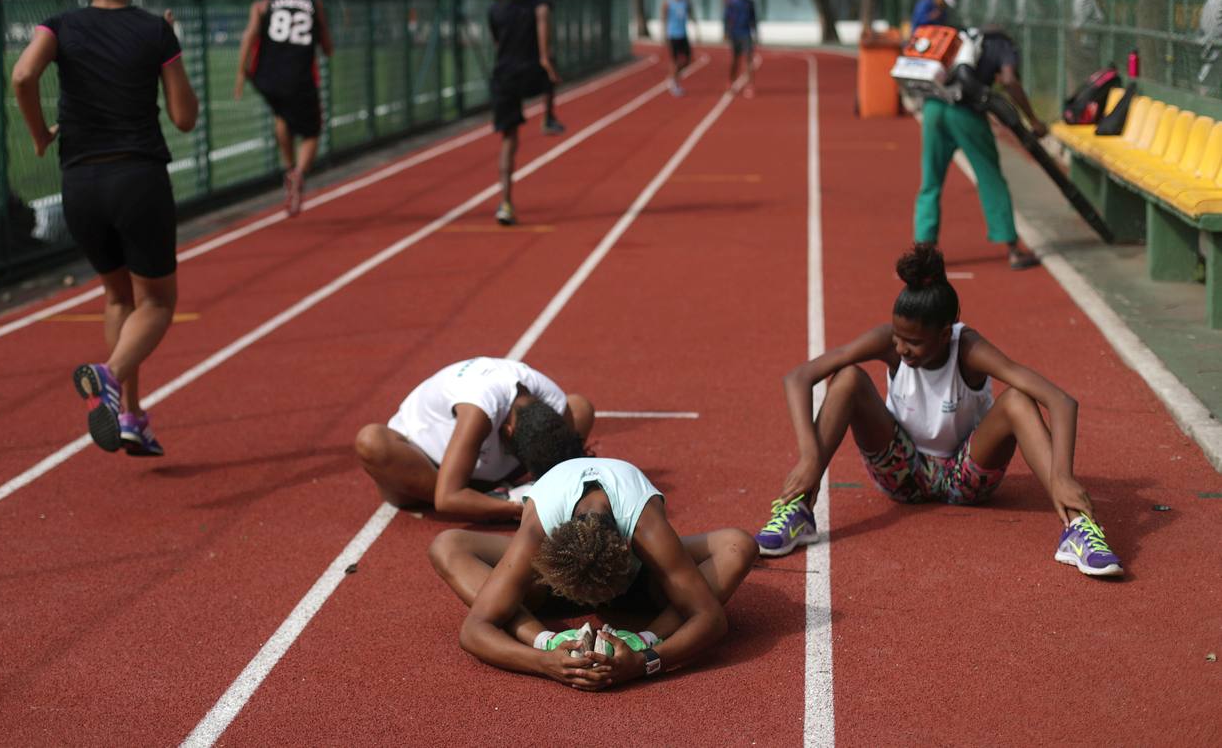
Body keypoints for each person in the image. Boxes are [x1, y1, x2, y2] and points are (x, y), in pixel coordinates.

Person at [753, 244, 1123, 578]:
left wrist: (1062, 476)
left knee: (1018, 400)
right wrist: (808, 457)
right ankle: (798, 511)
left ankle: (1078, 530)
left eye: (913, 342)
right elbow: (799, 377)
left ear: (945, 334)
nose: (901, 348)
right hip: (902, 470)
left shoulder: (969, 350)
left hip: (968, 475)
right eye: (897, 337)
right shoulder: (890, 342)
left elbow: (1060, 401)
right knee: (846, 378)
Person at [12, 0, 199, 457]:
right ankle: (111, 374)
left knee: (119, 297)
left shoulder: (58, 26)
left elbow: (23, 76)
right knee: (158, 302)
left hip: (80, 183)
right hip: (137, 178)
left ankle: (131, 416)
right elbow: (184, 119)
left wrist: (41, 134)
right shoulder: (154, 31)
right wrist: (170, 45)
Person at [429, 456, 756, 689]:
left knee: (738, 546)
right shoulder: (538, 531)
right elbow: (473, 631)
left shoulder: (644, 525)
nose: (597, 609)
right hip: (556, 579)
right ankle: (545, 636)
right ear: (547, 557)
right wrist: (543, 660)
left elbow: (710, 619)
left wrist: (645, 660)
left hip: (637, 580)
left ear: (627, 549)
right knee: (447, 545)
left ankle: (646, 634)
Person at [353, 357, 593, 520]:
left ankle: (494, 496)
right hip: (431, 470)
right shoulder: (479, 408)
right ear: (509, 432)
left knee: (580, 408)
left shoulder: (552, 399)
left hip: (493, 469)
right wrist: (516, 509)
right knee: (371, 441)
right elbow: (446, 499)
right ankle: (495, 499)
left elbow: (561, 440)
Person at [914, 26, 1044, 269]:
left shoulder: (963, 37)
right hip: (964, 114)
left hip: (933, 108)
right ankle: (1013, 249)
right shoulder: (1004, 45)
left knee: (930, 182)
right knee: (989, 177)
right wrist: (1033, 120)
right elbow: (1008, 81)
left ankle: (923, 250)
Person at [233, 0, 334, 217]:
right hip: (300, 77)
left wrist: (241, 73)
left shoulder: (263, 4)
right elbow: (327, 47)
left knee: (282, 115)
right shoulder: (314, 4)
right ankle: (298, 173)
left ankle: (289, 168)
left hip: (269, 79)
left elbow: (249, 36)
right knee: (312, 132)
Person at [487, 0, 561, 226]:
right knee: (552, 68)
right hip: (531, 72)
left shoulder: (495, 10)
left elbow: (497, 43)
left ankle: (505, 202)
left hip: (505, 75)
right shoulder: (540, 5)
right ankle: (549, 116)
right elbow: (544, 44)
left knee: (509, 139)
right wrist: (546, 64)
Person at [483, 0, 565, 136]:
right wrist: (548, 64)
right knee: (547, 73)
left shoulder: (502, 6)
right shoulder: (537, 5)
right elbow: (544, 52)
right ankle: (548, 117)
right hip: (526, 65)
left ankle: (547, 118)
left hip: (506, 71)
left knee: (509, 136)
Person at [722, 0, 760, 97]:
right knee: (734, 60)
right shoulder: (731, 2)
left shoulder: (750, 2)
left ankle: (750, 85)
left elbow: (754, 19)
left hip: (746, 34)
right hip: (734, 34)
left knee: (749, 60)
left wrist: (756, 33)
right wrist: (725, 32)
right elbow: (726, 18)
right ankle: (730, 81)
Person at [660, 0, 695, 97]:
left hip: (683, 34)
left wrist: (696, 27)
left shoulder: (686, 0)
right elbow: (663, 18)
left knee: (688, 60)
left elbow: (691, 13)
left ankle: (673, 77)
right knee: (674, 61)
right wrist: (664, 34)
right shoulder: (667, 1)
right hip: (672, 34)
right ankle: (675, 83)